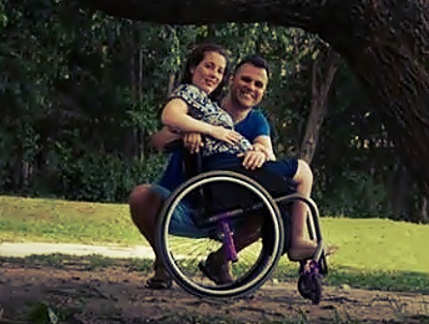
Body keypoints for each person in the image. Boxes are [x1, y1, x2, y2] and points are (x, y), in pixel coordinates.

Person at [129, 44, 330, 289]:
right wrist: (189, 132)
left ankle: (220, 261)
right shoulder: (204, 105)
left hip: (230, 202)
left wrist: (260, 152)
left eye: (259, 85)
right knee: (140, 196)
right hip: (184, 200)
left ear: (264, 92)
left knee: (271, 201)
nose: (251, 88)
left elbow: (266, 150)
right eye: (246, 79)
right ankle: (163, 263)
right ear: (232, 79)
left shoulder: (257, 121)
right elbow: (159, 139)